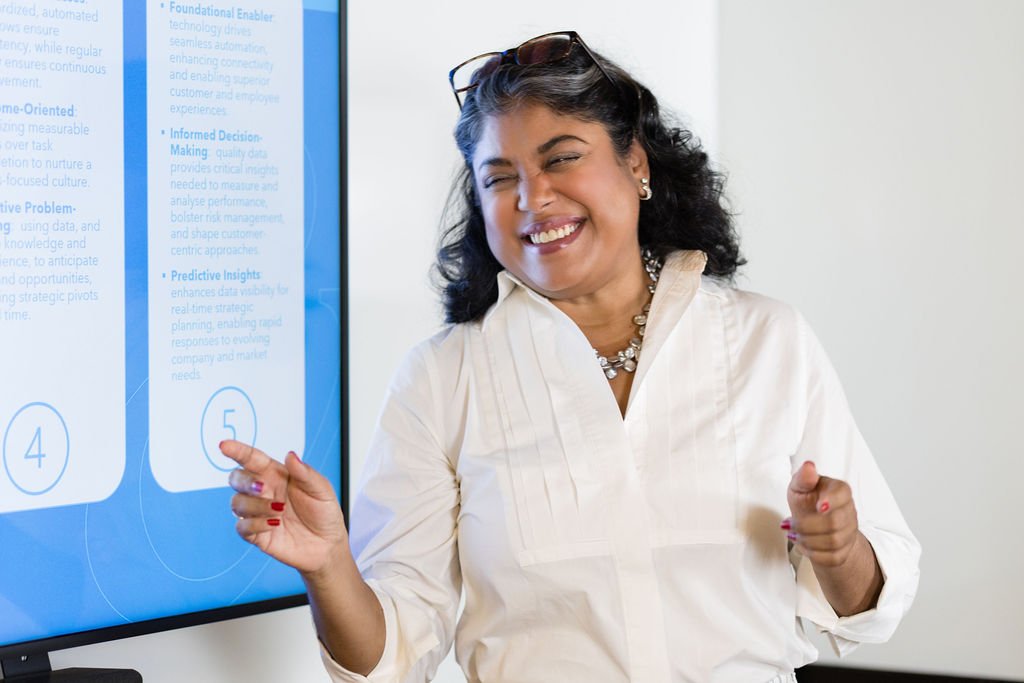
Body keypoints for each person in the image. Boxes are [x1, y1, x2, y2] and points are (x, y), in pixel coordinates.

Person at [221, 30, 920, 683]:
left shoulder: (769, 340)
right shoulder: (442, 379)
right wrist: (330, 565)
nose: (533, 198)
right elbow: (392, 653)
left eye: (561, 158)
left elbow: (871, 605)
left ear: (635, 163)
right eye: (498, 178)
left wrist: (839, 547)